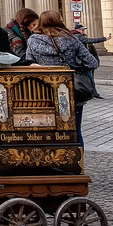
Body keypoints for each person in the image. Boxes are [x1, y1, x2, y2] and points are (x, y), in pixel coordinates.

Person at [25, 10, 100, 144]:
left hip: (43, 92)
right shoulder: (71, 39)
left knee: (47, 129)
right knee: (75, 130)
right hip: (70, 91)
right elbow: (92, 63)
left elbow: (29, 62)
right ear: (59, 21)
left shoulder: (32, 40)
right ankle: (76, 162)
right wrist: (75, 67)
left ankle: (53, 159)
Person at [72, 23, 110, 99]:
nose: (83, 31)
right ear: (78, 30)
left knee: (87, 78)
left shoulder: (74, 36)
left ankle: (92, 93)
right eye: (82, 30)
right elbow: (91, 40)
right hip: (83, 63)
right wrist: (105, 38)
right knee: (90, 78)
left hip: (80, 62)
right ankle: (92, 93)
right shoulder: (79, 37)